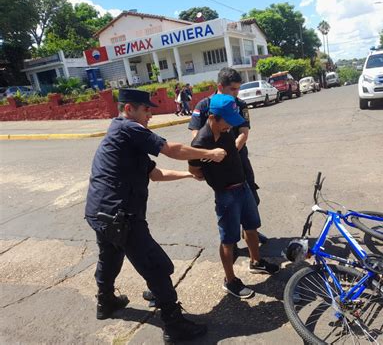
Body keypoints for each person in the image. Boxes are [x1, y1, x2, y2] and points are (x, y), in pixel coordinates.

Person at [85, 89, 226, 343]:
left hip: (100, 213)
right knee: (158, 267)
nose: (150, 114)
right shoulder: (129, 129)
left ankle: (105, 302)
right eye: (146, 109)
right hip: (121, 216)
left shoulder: (123, 136)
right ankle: (173, 325)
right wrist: (208, 153)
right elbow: (171, 149)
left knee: (110, 257)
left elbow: (155, 174)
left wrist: (189, 175)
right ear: (129, 109)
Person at [188, 94, 280, 299]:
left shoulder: (226, 132)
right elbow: (194, 170)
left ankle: (256, 262)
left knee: (252, 227)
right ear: (213, 117)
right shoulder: (201, 141)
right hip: (226, 195)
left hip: (243, 188)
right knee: (228, 240)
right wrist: (213, 176)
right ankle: (230, 281)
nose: (230, 125)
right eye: (227, 120)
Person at [188, 67, 266, 243]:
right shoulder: (205, 105)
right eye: (233, 89)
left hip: (239, 160)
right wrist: (212, 152)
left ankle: (249, 231)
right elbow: (195, 135)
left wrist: (231, 150)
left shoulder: (239, 105)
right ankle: (232, 242)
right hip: (217, 165)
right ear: (220, 86)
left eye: (238, 88)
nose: (237, 92)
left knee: (251, 197)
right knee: (228, 204)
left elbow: (243, 132)